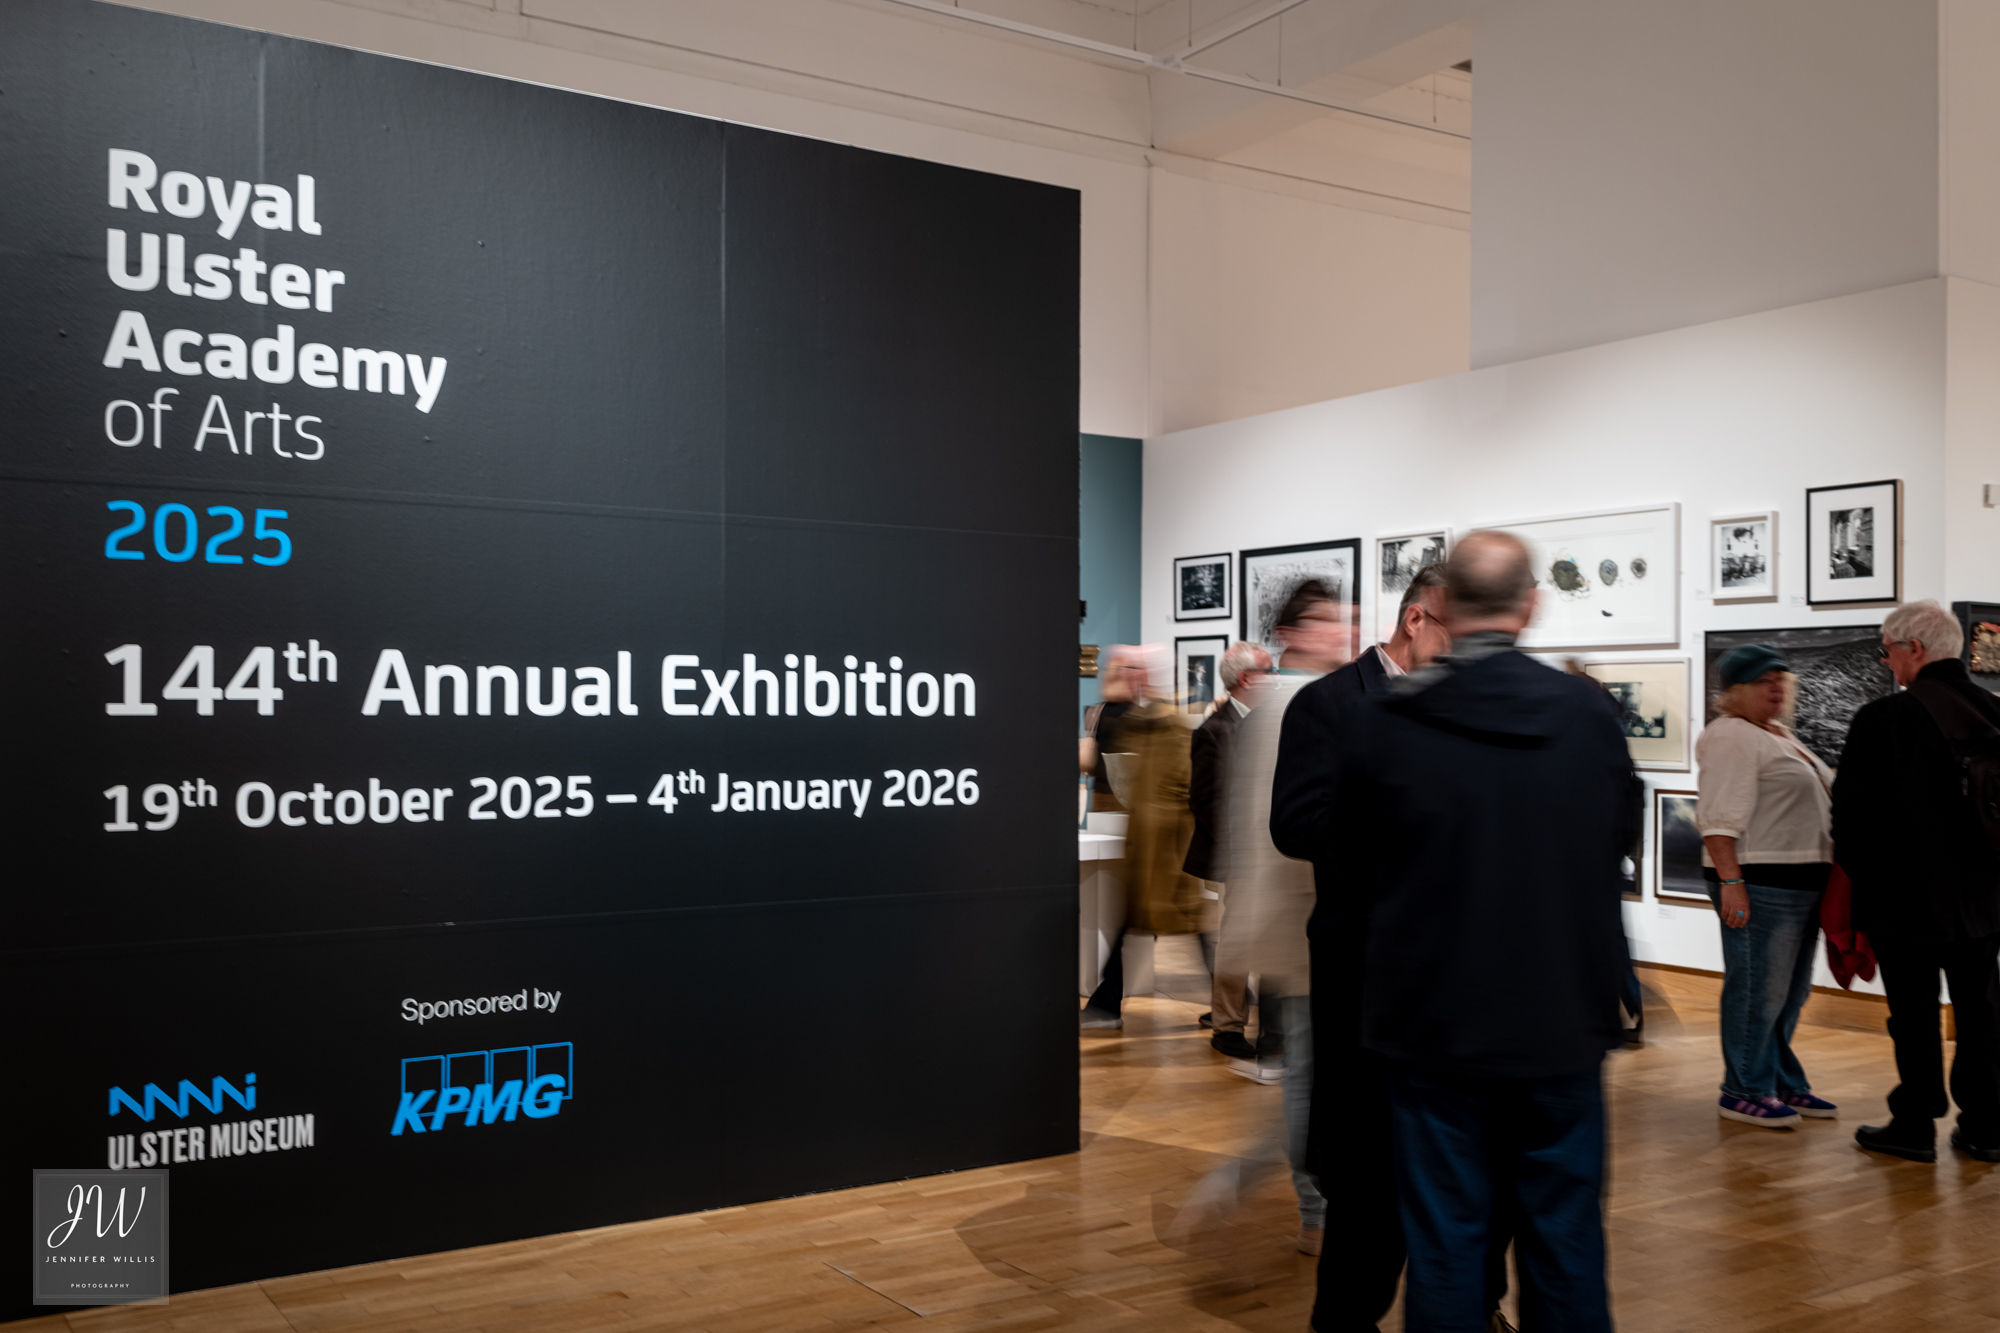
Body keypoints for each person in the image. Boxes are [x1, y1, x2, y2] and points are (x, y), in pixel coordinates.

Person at [1326, 531, 1638, 1333]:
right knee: (1566, 1241)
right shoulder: (1588, 714)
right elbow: (1617, 842)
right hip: (1560, 1016)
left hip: (1433, 1022)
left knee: (1446, 1243)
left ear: (1444, 605)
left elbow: (1355, 864)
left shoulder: (1386, 719)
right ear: (1529, 605)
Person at [1271, 564, 1448, 1333]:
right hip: (1364, 959)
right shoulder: (1330, 702)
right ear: (1416, 618)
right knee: (1368, 1165)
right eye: (1458, 628)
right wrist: (1404, 827)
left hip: (1445, 968)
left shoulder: (1454, 702)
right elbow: (1294, 823)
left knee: (1438, 1162)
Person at [1206, 579, 1353, 1255]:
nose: (1342, 632)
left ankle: (1300, 1197)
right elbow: (1284, 830)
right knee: (1311, 1073)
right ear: (1293, 632)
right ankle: (1313, 1210)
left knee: (1310, 1071)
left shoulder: (1283, 703)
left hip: (1303, 919)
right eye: (1328, 621)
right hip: (1304, 920)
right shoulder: (1296, 704)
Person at [1834, 600, 2000, 1163]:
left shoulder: (1883, 719)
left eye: (1888, 651)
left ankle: (1914, 1124)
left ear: (1916, 650)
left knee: (1913, 1012)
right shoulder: (1994, 712)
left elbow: (1849, 818)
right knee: (1981, 1011)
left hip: (1903, 898)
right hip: (1983, 900)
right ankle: (1985, 1126)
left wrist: (1868, 879)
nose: (1887, 662)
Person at [1695, 643, 1838, 1129]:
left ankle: (1777, 1078)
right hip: (1759, 881)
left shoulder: (1778, 734)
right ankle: (1743, 1089)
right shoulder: (1731, 734)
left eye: (1781, 679)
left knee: (1789, 992)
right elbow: (1717, 818)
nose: (1776, 688)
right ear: (1734, 691)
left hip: (1798, 882)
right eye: (1763, 681)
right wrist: (1732, 881)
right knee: (1758, 988)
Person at [1081, 646, 1205, 1030]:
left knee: (1191, 926)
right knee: (1148, 923)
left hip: (1165, 850)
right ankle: (1107, 1004)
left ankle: (1232, 1005)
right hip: (1146, 846)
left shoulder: (1169, 725)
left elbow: (1180, 789)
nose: (1133, 675)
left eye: (1139, 668)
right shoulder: (1140, 721)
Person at [1186, 641, 1272, 1060]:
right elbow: (1205, 801)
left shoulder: (1268, 721)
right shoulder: (1213, 730)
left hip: (1272, 852)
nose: (1276, 678)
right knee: (1237, 940)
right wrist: (1243, 850)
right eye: (1269, 670)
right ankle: (1227, 1025)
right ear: (1247, 679)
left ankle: (1259, 1022)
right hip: (1242, 856)